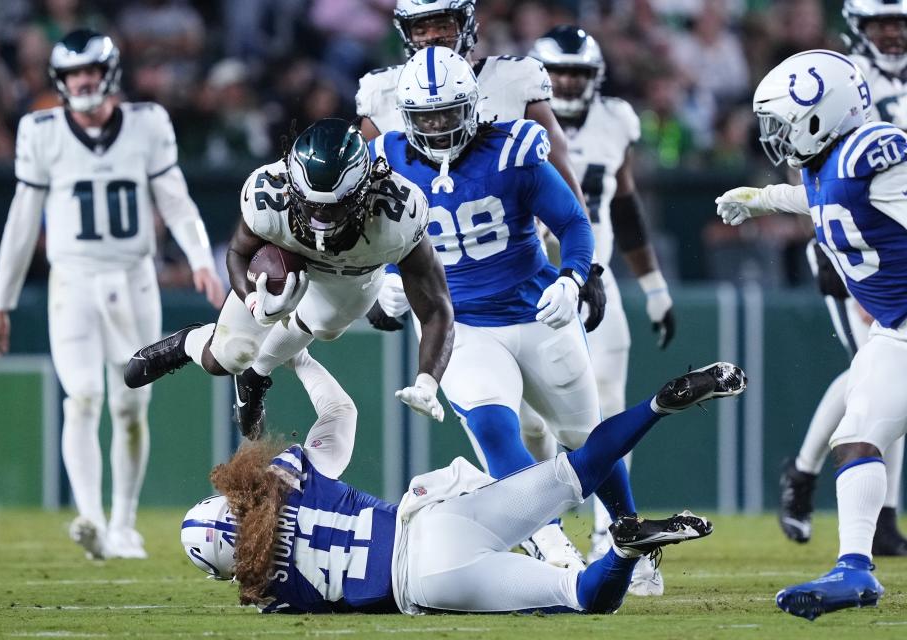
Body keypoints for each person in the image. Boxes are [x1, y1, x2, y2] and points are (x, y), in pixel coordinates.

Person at [180, 352, 746, 614]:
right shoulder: (285, 482)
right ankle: (656, 405)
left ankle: (623, 550)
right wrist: (295, 353)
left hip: (429, 581)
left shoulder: (271, 598)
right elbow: (339, 411)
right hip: (432, 517)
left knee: (576, 597)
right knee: (576, 466)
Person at [368, 46, 630, 574]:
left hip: (536, 314)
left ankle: (629, 534)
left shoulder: (513, 148)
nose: (439, 127)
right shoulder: (385, 159)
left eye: (448, 113)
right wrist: (385, 280)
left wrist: (573, 278)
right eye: (426, 116)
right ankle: (552, 545)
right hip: (460, 325)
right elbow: (374, 237)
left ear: (474, 107)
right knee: (493, 426)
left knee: (586, 438)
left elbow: (574, 222)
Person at [0, 29, 223, 560]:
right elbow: (22, 223)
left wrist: (201, 260)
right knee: (83, 396)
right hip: (72, 280)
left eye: (89, 70)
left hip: (134, 279)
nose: (82, 81)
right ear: (60, 81)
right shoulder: (41, 131)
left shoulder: (146, 124)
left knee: (131, 404)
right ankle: (90, 518)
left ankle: (124, 523)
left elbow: (176, 200)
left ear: (108, 73)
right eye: (72, 74)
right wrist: (1, 302)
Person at [716, 49, 907, 619]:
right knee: (855, 435)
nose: (775, 137)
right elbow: (823, 200)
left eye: (784, 122)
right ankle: (855, 569)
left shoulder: (877, 154)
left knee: (858, 429)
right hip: (897, 332)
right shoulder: (831, 164)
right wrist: (762, 200)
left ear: (821, 114)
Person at [124, 118, 454, 438]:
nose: (319, 219)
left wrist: (428, 382)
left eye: (334, 207)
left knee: (326, 327)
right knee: (227, 356)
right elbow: (237, 253)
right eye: (310, 205)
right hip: (287, 258)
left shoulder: (398, 214)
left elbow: (436, 307)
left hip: (350, 274)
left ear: (365, 191)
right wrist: (253, 299)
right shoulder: (269, 192)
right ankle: (187, 343)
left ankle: (256, 375)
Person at [527, 25, 678, 595]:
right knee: (531, 424)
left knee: (607, 408)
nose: (567, 82)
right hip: (527, 285)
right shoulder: (506, 116)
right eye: (559, 72)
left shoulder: (616, 122)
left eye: (578, 73)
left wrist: (655, 286)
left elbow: (627, 203)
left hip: (594, 282)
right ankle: (544, 530)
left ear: (595, 79)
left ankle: (615, 534)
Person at [777, 0, 907, 555]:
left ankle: (807, 476)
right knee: (876, 372)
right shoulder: (837, 78)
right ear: (858, 26)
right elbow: (804, 158)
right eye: (880, 24)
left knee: (878, 374)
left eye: (898, 23)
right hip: (855, 242)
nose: (891, 34)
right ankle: (870, 516)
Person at [355, 0, 588, 209]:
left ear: (466, 24)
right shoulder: (382, 92)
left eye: (443, 26)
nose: (433, 37)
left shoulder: (516, 79)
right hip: (424, 243)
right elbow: (359, 187)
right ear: (407, 35)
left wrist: (587, 251)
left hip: (510, 241)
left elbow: (562, 175)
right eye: (421, 29)